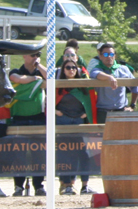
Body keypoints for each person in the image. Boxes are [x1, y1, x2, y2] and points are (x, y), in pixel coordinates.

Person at [53, 58, 97, 195]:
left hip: (79, 121)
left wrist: (86, 113)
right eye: (68, 67)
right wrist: (56, 111)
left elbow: (89, 100)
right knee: (65, 154)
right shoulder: (58, 85)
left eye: (73, 67)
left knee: (83, 154)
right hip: (63, 121)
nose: (71, 70)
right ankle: (67, 185)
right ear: (63, 70)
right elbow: (48, 101)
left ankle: (85, 186)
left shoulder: (82, 85)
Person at [9, 51, 47, 197]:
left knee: (39, 155)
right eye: (32, 55)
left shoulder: (41, 72)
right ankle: (18, 186)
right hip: (19, 118)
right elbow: (16, 78)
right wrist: (35, 79)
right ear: (24, 56)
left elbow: (51, 78)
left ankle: (39, 186)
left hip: (38, 118)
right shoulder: (16, 71)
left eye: (38, 54)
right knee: (19, 155)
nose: (35, 57)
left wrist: (39, 67)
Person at [87, 42, 138, 121]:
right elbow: (95, 74)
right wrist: (109, 77)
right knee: (102, 130)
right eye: (105, 54)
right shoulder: (97, 68)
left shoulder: (123, 69)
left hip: (121, 110)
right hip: (103, 111)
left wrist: (132, 105)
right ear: (100, 56)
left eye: (111, 54)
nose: (109, 57)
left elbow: (135, 86)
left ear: (115, 56)